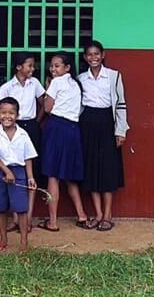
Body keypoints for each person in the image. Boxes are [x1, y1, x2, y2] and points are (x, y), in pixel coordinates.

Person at [78, 40, 128, 231]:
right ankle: (97, 214)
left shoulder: (114, 76)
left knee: (107, 170)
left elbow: (121, 103)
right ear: (85, 57)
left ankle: (108, 215)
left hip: (108, 123)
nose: (93, 58)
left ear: (103, 55)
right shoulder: (81, 78)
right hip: (87, 124)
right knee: (91, 169)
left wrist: (120, 131)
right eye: (89, 55)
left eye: (96, 54)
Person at [37, 52, 90, 232]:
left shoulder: (56, 83)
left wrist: (47, 89)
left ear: (67, 67)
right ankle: (81, 214)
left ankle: (52, 221)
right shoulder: (77, 84)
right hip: (73, 129)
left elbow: (48, 108)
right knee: (68, 176)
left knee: (53, 174)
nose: (53, 69)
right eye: (51, 66)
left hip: (57, 127)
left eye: (57, 66)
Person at [0, 52, 45, 230]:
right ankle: (17, 218)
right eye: (29, 65)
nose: (33, 69)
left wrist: (37, 122)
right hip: (13, 129)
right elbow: (0, 109)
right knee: (15, 169)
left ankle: (29, 217)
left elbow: (43, 103)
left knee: (31, 171)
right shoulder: (7, 87)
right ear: (18, 67)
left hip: (31, 127)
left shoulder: (35, 84)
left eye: (33, 66)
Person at [0, 97, 38, 251]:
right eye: (3, 113)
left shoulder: (23, 135)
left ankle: (23, 242)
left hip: (19, 172)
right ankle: (3, 239)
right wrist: (6, 171)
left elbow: (28, 157)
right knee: (1, 208)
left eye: (11, 113)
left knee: (21, 208)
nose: (7, 116)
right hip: (0, 173)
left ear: (17, 115)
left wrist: (30, 177)